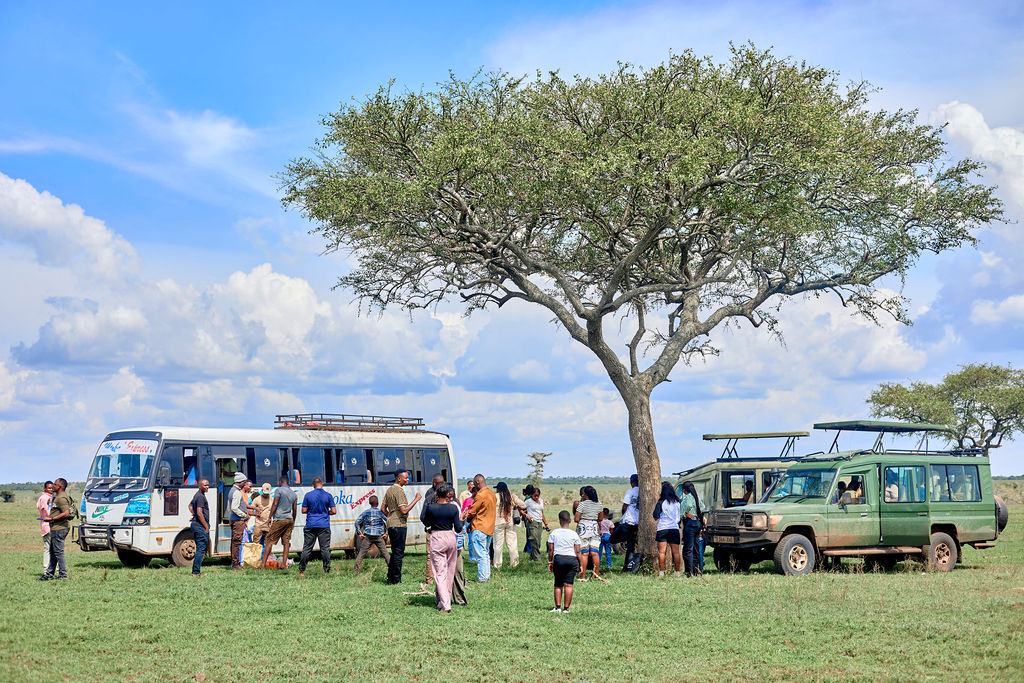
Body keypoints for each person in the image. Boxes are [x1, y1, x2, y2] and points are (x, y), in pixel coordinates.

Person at [421, 484, 464, 612]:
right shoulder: (453, 508)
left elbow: (425, 521)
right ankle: (444, 601)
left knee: (440, 573)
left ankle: (446, 605)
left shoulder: (431, 508)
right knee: (450, 571)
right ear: (447, 495)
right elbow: (458, 528)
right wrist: (462, 519)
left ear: (436, 494)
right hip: (450, 537)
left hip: (437, 537)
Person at [381, 470, 422, 585]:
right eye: (406, 477)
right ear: (399, 479)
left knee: (395, 552)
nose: (407, 479)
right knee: (399, 553)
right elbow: (404, 510)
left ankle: (390, 578)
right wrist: (416, 499)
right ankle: (396, 580)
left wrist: (390, 517)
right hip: (399, 524)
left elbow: (383, 509)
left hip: (391, 524)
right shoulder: (399, 491)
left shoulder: (389, 490)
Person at [547, 510, 583, 614]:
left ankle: (558, 607)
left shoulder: (554, 533)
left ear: (559, 521)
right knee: (569, 585)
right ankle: (566, 609)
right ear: (570, 520)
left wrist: (550, 562)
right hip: (572, 560)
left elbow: (551, 550)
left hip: (559, 559)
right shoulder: (574, 534)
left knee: (558, 584)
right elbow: (578, 551)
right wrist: (581, 565)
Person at [298, 477, 336, 576]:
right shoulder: (328, 495)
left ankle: (301, 571)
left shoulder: (308, 495)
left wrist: (312, 511)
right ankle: (326, 570)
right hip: (324, 525)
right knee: (325, 549)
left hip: (310, 524)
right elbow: (334, 511)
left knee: (307, 548)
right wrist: (326, 513)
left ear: (313, 485)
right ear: (322, 484)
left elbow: (303, 510)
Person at [464, 474, 497, 582]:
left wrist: (467, 519)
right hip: (489, 528)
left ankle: (482, 578)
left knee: (480, 554)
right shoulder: (492, 494)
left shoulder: (480, 495)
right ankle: (486, 576)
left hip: (479, 527)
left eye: (474, 483)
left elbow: (473, 512)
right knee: (485, 553)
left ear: (478, 483)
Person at [39, 477, 73, 581]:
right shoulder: (58, 497)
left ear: (60, 486)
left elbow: (66, 513)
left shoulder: (61, 498)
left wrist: (52, 518)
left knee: (58, 552)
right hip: (56, 528)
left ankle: (63, 575)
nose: (53, 486)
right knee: (53, 552)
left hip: (60, 528)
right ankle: (49, 574)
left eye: (55, 484)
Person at [261, 475, 297, 569]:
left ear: (281, 482)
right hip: (289, 519)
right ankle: (284, 564)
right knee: (286, 542)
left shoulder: (278, 490)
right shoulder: (293, 494)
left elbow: (275, 503)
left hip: (280, 519)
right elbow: (294, 509)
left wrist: (270, 516)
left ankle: (263, 564)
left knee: (269, 540)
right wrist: (293, 522)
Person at [492, 481, 526, 569]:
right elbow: (523, 505)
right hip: (510, 522)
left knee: (498, 545)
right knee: (512, 544)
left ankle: (497, 565)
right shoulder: (511, 496)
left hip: (498, 523)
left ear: (498, 489)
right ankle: (514, 563)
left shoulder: (495, 496)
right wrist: (515, 506)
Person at [609, 474, 639, 570]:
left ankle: (629, 536)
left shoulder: (630, 491)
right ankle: (626, 568)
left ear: (631, 482)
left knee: (612, 539)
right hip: (637, 522)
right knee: (630, 548)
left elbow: (625, 506)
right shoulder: (642, 491)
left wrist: (623, 516)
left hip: (629, 521)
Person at [354, 495, 390, 572]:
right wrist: (386, 533)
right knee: (385, 553)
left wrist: (360, 533)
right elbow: (389, 522)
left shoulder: (366, 512)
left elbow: (357, 522)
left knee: (361, 553)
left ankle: (356, 571)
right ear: (378, 503)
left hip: (368, 537)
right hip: (379, 537)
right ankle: (392, 569)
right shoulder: (380, 513)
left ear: (369, 503)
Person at [573, 486, 602, 579]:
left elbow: (576, 519)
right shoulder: (599, 504)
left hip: (583, 529)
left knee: (584, 553)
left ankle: (583, 576)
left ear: (585, 494)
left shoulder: (582, 504)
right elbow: (600, 518)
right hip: (594, 528)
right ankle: (596, 575)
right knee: (595, 553)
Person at [654, 482, 682, 577]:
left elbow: (655, 516)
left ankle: (661, 572)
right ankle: (677, 573)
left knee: (662, 552)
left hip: (662, 528)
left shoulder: (661, 502)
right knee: (676, 552)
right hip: (674, 528)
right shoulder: (677, 502)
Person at [422, 474, 445, 585]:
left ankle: (430, 580)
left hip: (433, 530)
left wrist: (429, 525)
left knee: (430, 556)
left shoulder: (429, 497)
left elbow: (423, 517)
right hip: (445, 531)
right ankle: (442, 578)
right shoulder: (448, 496)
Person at [680, 480, 705, 577]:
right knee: (696, 548)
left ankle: (689, 572)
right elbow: (702, 507)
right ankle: (697, 570)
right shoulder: (696, 497)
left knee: (688, 549)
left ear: (684, 490)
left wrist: (685, 513)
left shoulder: (687, 497)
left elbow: (688, 505)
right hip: (697, 523)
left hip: (690, 524)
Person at [188, 479, 211, 577]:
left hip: (196, 524)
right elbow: (199, 512)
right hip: (200, 526)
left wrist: (193, 515)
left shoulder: (197, 495)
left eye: (208, 485)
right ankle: (196, 572)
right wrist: (206, 526)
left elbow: (190, 505)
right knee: (201, 549)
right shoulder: (200, 496)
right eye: (205, 485)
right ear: (199, 486)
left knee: (200, 548)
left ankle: (196, 571)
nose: (207, 487)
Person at [227, 472, 249, 570]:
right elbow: (234, 508)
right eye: (244, 482)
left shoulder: (232, 490)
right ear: (241, 482)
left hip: (234, 519)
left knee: (235, 542)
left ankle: (235, 563)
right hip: (238, 520)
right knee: (236, 543)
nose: (245, 483)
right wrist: (244, 515)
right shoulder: (236, 492)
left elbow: (230, 508)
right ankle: (235, 564)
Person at [523, 485, 549, 562]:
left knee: (538, 541)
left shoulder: (541, 501)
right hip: (532, 522)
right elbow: (520, 509)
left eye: (538, 496)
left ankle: (531, 557)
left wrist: (546, 523)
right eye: (535, 496)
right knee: (534, 540)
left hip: (539, 522)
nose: (536, 497)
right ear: (531, 495)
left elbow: (541, 512)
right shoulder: (528, 501)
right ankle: (537, 559)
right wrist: (526, 515)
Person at [36, 481, 54, 575]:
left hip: (45, 525)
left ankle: (49, 569)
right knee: (49, 549)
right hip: (48, 525)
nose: (51, 489)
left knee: (49, 548)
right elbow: (48, 512)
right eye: (49, 488)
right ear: (45, 488)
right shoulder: (46, 498)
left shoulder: (42, 497)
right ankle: (47, 569)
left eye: (52, 488)